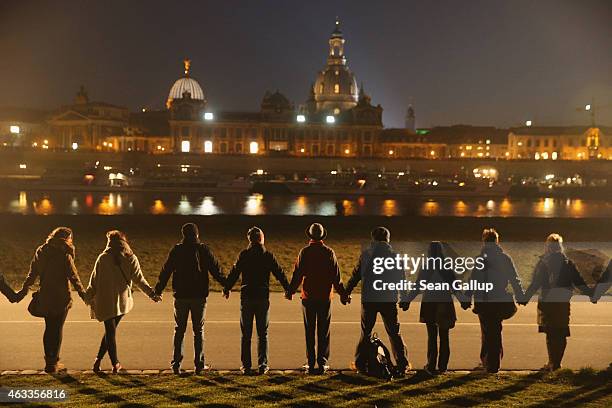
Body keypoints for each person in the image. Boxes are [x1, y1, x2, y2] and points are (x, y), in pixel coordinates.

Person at [155, 223, 226, 375]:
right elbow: (215, 269)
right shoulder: (203, 250)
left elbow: (166, 270)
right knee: (198, 331)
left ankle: (176, 364)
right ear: (197, 234)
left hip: (181, 295)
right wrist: (226, 285)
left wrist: (158, 290)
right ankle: (199, 364)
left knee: (179, 329)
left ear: (183, 235)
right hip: (199, 296)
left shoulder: (177, 250)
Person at [87, 231, 161, 374]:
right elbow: (139, 280)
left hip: (104, 300)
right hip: (122, 301)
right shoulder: (130, 258)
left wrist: (88, 296)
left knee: (110, 331)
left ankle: (98, 361)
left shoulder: (102, 258)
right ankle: (114, 363)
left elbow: (94, 280)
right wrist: (151, 294)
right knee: (110, 331)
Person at [16, 227, 88, 373]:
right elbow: (73, 276)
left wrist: (24, 289)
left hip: (46, 295)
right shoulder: (64, 253)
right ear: (67, 238)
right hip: (61, 297)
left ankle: (49, 362)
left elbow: (33, 272)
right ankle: (53, 363)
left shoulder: (41, 251)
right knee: (57, 329)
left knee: (49, 328)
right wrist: (82, 293)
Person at [521, 234, 594, 371]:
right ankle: (557, 363)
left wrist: (525, 298)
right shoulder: (567, 263)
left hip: (548, 302)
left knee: (550, 333)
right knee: (561, 331)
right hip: (562, 301)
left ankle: (552, 363)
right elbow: (579, 282)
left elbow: (536, 283)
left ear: (548, 247)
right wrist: (591, 295)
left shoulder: (544, 262)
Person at [343, 227, 411, 376]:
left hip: (370, 300)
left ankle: (360, 364)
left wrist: (346, 292)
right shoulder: (395, 256)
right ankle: (402, 364)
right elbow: (401, 279)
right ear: (388, 239)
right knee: (394, 333)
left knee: (366, 333)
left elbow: (356, 276)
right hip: (388, 299)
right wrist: (405, 298)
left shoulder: (366, 255)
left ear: (373, 239)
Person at [224, 227, 290, 375]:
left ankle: (246, 366)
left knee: (246, 334)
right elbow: (279, 272)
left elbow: (235, 272)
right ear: (261, 238)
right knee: (263, 333)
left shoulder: (244, 254)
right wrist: (288, 289)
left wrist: (227, 287)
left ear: (250, 239)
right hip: (262, 295)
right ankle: (263, 365)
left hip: (247, 296)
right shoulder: (267, 255)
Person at [462, 228, 525, 374]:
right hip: (500, 298)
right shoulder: (505, 258)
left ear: (484, 241)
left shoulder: (480, 259)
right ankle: (493, 362)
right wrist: (520, 295)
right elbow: (514, 278)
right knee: (495, 330)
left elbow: (473, 280)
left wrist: (466, 298)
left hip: (484, 300)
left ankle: (489, 363)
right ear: (497, 241)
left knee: (487, 331)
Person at [287, 223, 345, 374]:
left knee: (309, 330)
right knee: (324, 330)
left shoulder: (304, 252)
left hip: (308, 296)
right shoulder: (329, 252)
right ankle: (323, 362)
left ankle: (311, 362)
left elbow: (297, 274)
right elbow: (336, 276)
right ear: (322, 236)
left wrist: (290, 290)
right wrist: (343, 294)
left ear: (310, 236)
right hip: (324, 296)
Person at [405, 241, 463, 375]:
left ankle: (431, 365)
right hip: (445, 303)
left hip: (430, 303)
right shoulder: (446, 267)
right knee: (444, 336)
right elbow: (455, 288)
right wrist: (463, 301)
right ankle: (443, 366)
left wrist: (407, 301)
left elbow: (418, 286)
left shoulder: (427, 267)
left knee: (432, 336)